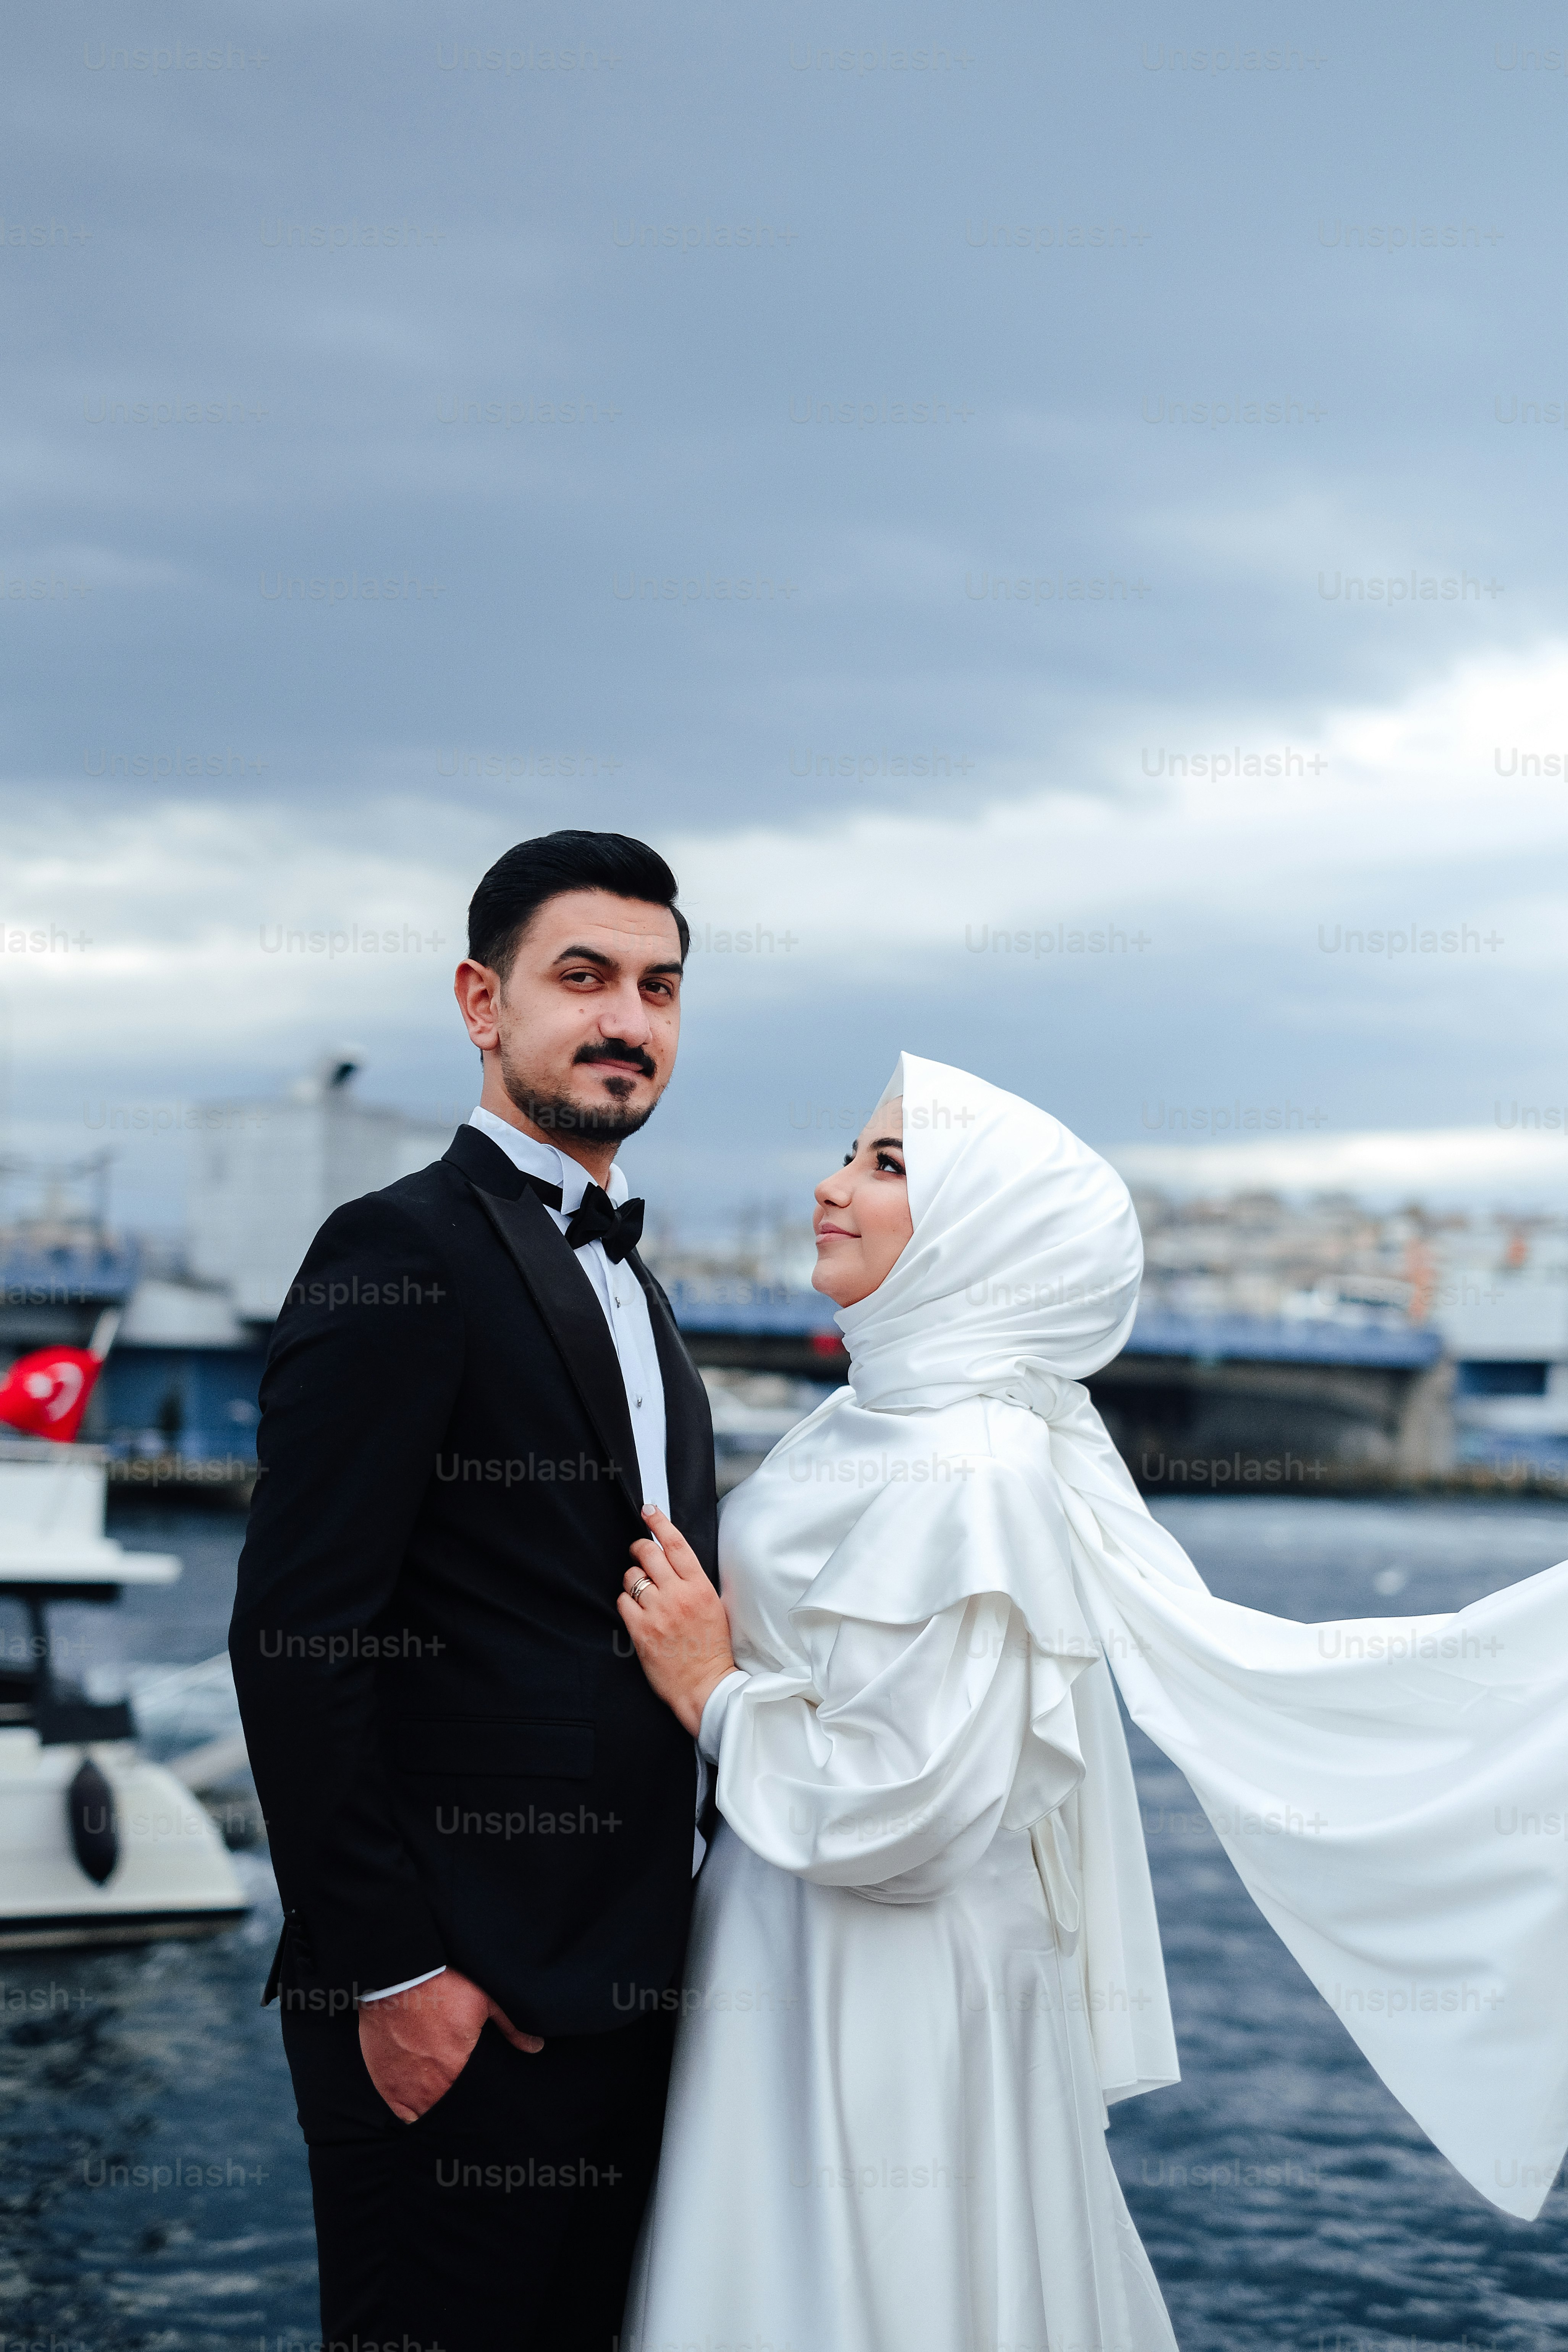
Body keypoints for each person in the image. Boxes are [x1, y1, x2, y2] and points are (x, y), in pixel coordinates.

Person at [617, 1051, 1568, 2352]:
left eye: (891, 1166)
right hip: (789, 1926)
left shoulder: (976, 1467)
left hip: (877, 1962)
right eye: (853, 1151)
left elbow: (919, 1818)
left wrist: (711, 1693)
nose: (835, 1186)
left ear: (980, 1238)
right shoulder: (864, 1420)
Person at [230, 831, 727, 2352]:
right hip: (451, 2005)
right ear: (479, 999)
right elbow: (293, 1633)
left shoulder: (637, 1285)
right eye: (580, 978)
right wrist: (400, 1971)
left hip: (630, 1997)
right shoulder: (398, 1249)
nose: (624, 1019)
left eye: (656, 986)